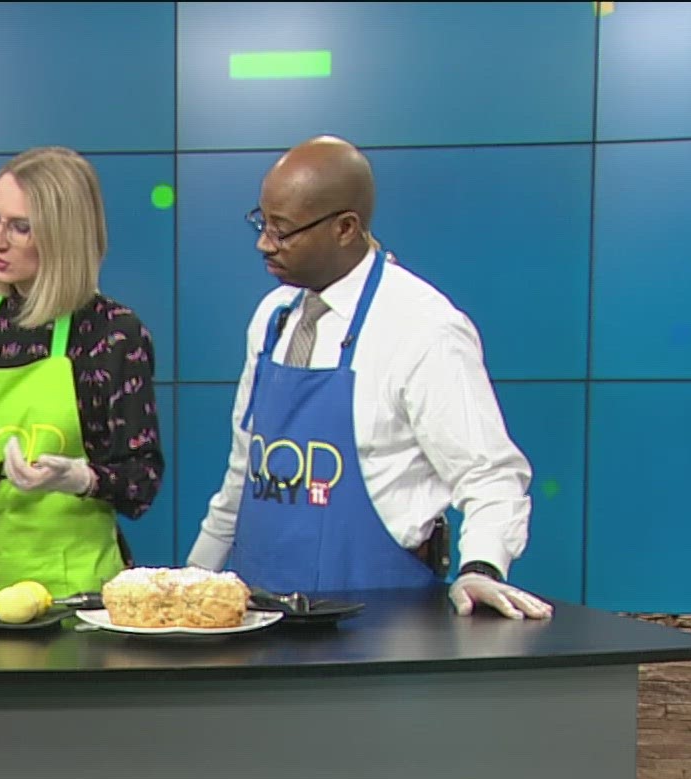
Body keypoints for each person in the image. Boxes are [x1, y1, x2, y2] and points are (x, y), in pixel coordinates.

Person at [185, 135, 552, 619]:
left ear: (345, 228)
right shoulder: (273, 318)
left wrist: (482, 567)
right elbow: (245, 470)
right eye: (262, 221)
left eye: (282, 230)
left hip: (379, 629)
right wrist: (194, 576)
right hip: (259, 624)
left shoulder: (423, 328)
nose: (263, 243)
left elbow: (490, 475)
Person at [0, 146, 164, 602]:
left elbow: (142, 480)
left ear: (63, 235)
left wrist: (79, 478)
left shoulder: (112, 334)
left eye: (19, 227)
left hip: (79, 590)